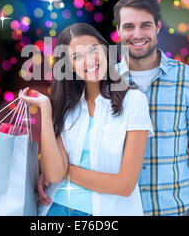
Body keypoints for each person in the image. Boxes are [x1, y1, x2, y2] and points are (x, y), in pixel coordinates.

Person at [37, 0, 189, 216]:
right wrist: (46, 174)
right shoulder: (99, 82)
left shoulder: (188, 80)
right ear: (119, 31)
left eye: (146, 25)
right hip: (117, 208)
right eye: (129, 26)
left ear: (158, 27)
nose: (138, 34)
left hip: (170, 208)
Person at [19, 22, 154, 216]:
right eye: (77, 57)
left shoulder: (134, 102)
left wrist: (66, 171)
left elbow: (124, 185)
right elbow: (53, 174)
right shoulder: (64, 106)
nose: (89, 61)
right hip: (55, 210)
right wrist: (47, 111)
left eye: (93, 50)